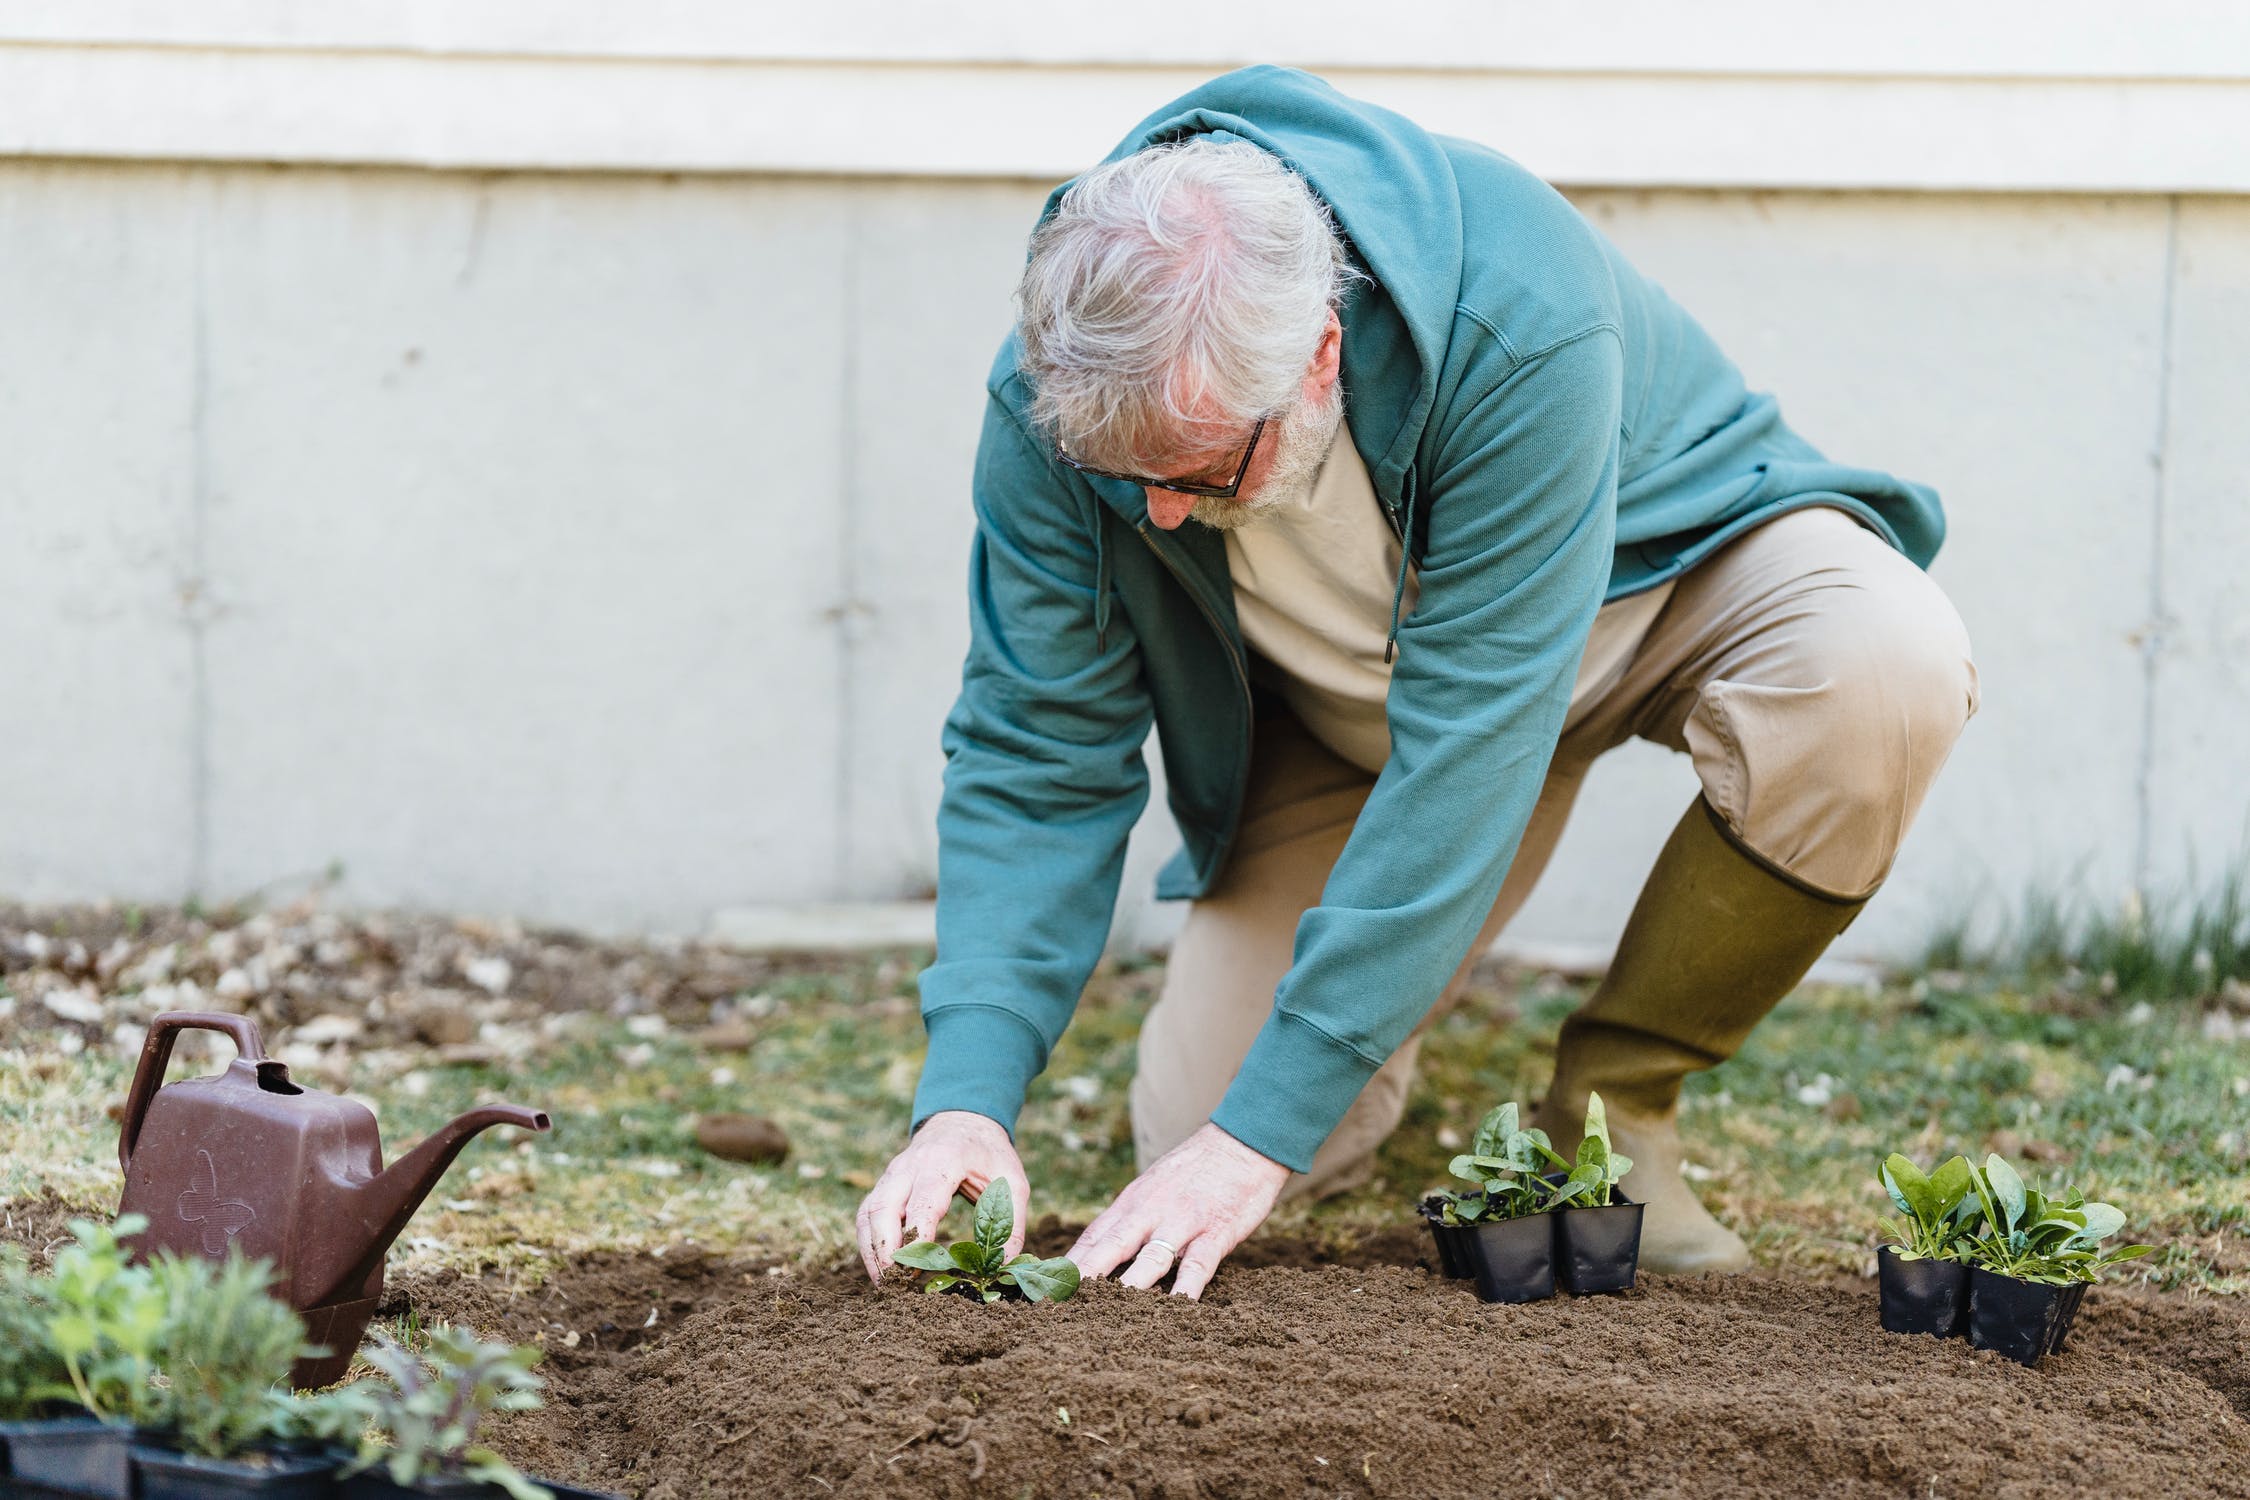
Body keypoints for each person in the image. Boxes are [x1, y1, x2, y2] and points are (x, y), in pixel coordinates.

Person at [855, 66, 1978, 1298]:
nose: (1161, 513)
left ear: (1322, 354)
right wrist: (963, 1102)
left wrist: (1260, 1139)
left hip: (1654, 588)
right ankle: (1378, 1007)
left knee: (1885, 666)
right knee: (1194, 1133)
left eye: (1198, 472)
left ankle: (1619, 1096)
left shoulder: (1516, 309)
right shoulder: (1062, 402)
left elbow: (1473, 742)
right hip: (1364, 719)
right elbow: (1036, 745)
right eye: (1130, 483)